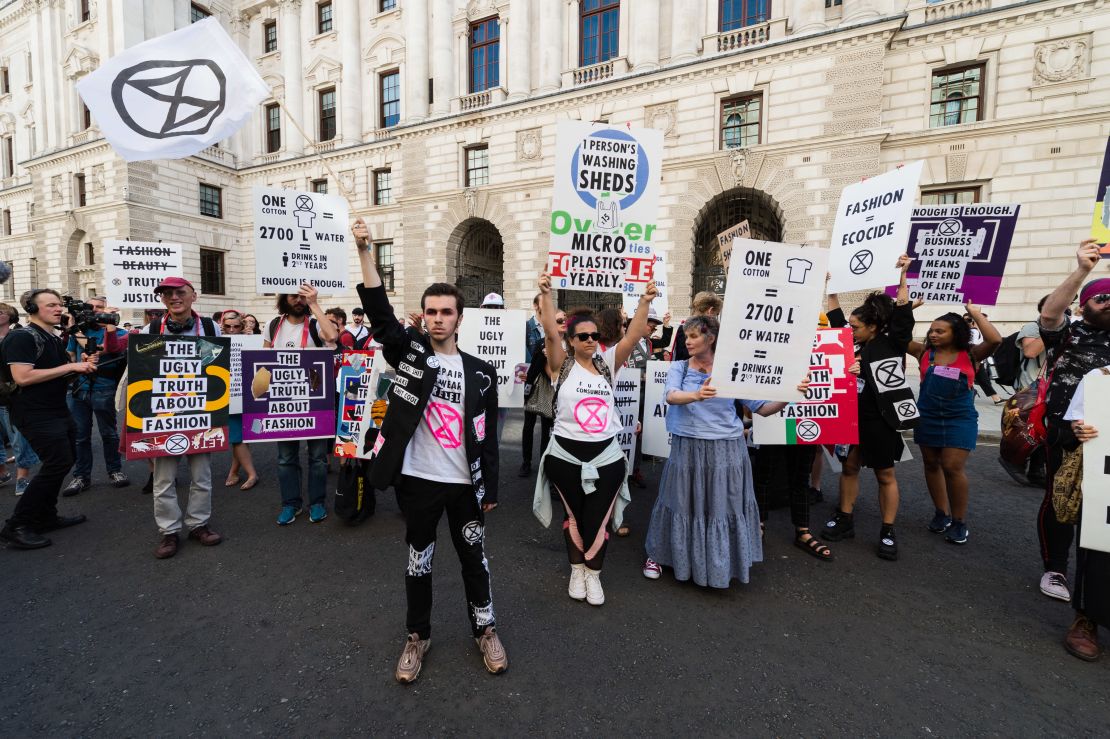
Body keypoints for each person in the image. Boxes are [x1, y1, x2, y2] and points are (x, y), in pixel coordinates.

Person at [353, 218, 507, 683]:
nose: (439, 317)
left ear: (460, 317)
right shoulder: (411, 355)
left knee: (473, 562)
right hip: (418, 481)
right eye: (431, 311)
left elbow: (488, 433)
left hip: (465, 487)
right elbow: (380, 317)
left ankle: (485, 629)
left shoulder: (481, 372)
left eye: (447, 311)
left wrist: (491, 488)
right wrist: (364, 251)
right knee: (418, 562)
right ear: (423, 316)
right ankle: (417, 636)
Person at [644, 315, 811, 584]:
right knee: (679, 502)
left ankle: (718, 563)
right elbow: (671, 396)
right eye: (686, 336)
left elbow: (763, 409)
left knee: (721, 507)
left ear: (711, 339)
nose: (687, 341)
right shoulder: (679, 368)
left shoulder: (732, 370)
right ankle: (660, 554)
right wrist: (697, 394)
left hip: (727, 450)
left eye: (694, 336)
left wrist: (791, 394)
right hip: (688, 447)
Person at [532, 271, 656, 606]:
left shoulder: (607, 364)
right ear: (570, 340)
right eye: (582, 336)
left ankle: (593, 574)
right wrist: (546, 294)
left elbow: (631, 338)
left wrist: (644, 302)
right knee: (574, 516)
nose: (589, 339)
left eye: (594, 335)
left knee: (598, 518)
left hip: (607, 458)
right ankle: (576, 570)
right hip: (566, 457)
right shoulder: (561, 366)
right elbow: (548, 331)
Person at [822, 255, 918, 561]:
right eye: (850, 326)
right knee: (848, 468)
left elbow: (902, 315)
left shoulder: (891, 343)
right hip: (851, 418)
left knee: (884, 475)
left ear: (874, 326)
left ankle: (888, 531)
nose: (850, 330)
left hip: (879, 420)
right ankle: (845, 517)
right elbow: (836, 321)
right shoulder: (848, 341)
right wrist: (831, 288)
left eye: (857, 327)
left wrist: (903, 275)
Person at [1037, 240, 1110, 605]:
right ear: (1083, 306)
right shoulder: (1071, 332)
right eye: (1102, 298)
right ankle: (1055, 568)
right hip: (1066, 433)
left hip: (1107, 438)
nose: (1109, 302)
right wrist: (1082, 270)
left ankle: (1095, 578)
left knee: (1101, 506)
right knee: (1062, 498)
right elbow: (1050, 315)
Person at [0, 289, 95, 549]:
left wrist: (81, 365)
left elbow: (56, 373)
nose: (58, 309)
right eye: (51, 305)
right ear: (32, 308)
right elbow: (23, 377)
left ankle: (45, 515)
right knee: (57, 462)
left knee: (67, 459)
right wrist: (70, 366)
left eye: (59, 305)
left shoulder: (51, 337)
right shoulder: (21, 337)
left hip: (55, 409)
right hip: (34, 413)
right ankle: (16, 526)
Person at [907, 303, 1001, 545]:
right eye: (931, 330)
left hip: (960, 418)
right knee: (931, 463)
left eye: (940, 331)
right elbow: (897, 336)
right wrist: (907, 308)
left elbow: (995, 339)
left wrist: (975, 311)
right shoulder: (924, 353)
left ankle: (959, 521)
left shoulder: (971, 354)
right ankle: (942, 514)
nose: (933, 334)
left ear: (956, 332)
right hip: (927, 415)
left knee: (951, 466)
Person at [146, 277, 223, 559]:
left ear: (194, 296)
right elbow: (143, 368)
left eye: (180, 293)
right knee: (163, 478)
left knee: (201, 475)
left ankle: (199, 524)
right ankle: (168, 531)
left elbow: (218, 369)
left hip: (201, 412)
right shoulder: (152, 328)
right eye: (167, 294)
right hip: (164, 413)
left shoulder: (212, 328)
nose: (174, 298)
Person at [265, 285, 339, 526]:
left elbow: (332, 337)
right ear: (284, 298)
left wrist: (314, 304)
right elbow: (264, 362)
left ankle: (316, 502)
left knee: (318, 458)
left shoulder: (316, 323)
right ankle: (290, 504)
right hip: (284, 402)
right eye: (293, 295)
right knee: (286, 458)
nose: (298, 300)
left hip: (315, 401)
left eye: (302, 296)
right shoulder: (273, 325)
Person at [1061, 363, 1110, 660]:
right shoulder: (1101, 376)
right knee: (1099, 548)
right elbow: (1077, 419)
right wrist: (1080, 428)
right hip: (1105, 475)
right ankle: (1086, 619)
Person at [62, 295, 130, 496]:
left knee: (108, 433)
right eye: (91, 307)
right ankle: (81, 476)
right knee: (80, 437)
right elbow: (71, 358)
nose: (95, 311)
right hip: (78, 389)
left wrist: (92, 342)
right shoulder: (79, 333)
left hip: (104, 388)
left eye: (100, 307)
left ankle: (115, 471)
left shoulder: (119, 332)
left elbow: (110, 349)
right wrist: (77, 362)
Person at [0, 301, 41, 496]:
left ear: (10, 315)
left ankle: (22, 478)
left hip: (10, 396)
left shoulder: (20, 336)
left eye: (0, 312)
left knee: (18, 439)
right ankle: (2, 472)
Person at [520, 305, 564, 477]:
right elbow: (533, 370)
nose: (563, 323)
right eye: (559, 320)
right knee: (528, 427)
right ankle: (526, 462)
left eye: (564, 320)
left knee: (548, 428)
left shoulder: (571, 344)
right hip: (537, 390)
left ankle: (544, 464)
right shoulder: (542, 343)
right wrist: (543, 354)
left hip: (556, 392)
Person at [219, 311, 259, 491]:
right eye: (228, 326)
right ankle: (244, 472)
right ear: (222, 326)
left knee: (241, 437)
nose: (232, 330)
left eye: (236, 326)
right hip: (227, 395)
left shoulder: (250, 340)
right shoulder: (216, 340)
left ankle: (242, 473)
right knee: (238, 437)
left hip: (246, 394)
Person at [672, 291, 722, 362]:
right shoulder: (712, 330)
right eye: (716, 314)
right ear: (710, 311)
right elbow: (684, 357)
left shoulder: (683, 327)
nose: (715, 317)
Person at [964, 311, 1003, 403]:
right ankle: (995, 398)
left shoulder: (978, 331)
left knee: (981, 379)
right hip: (973, 359)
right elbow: (971, 345)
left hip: (976, 359)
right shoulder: (973, 331)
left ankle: (995, 397)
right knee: (981, 379)